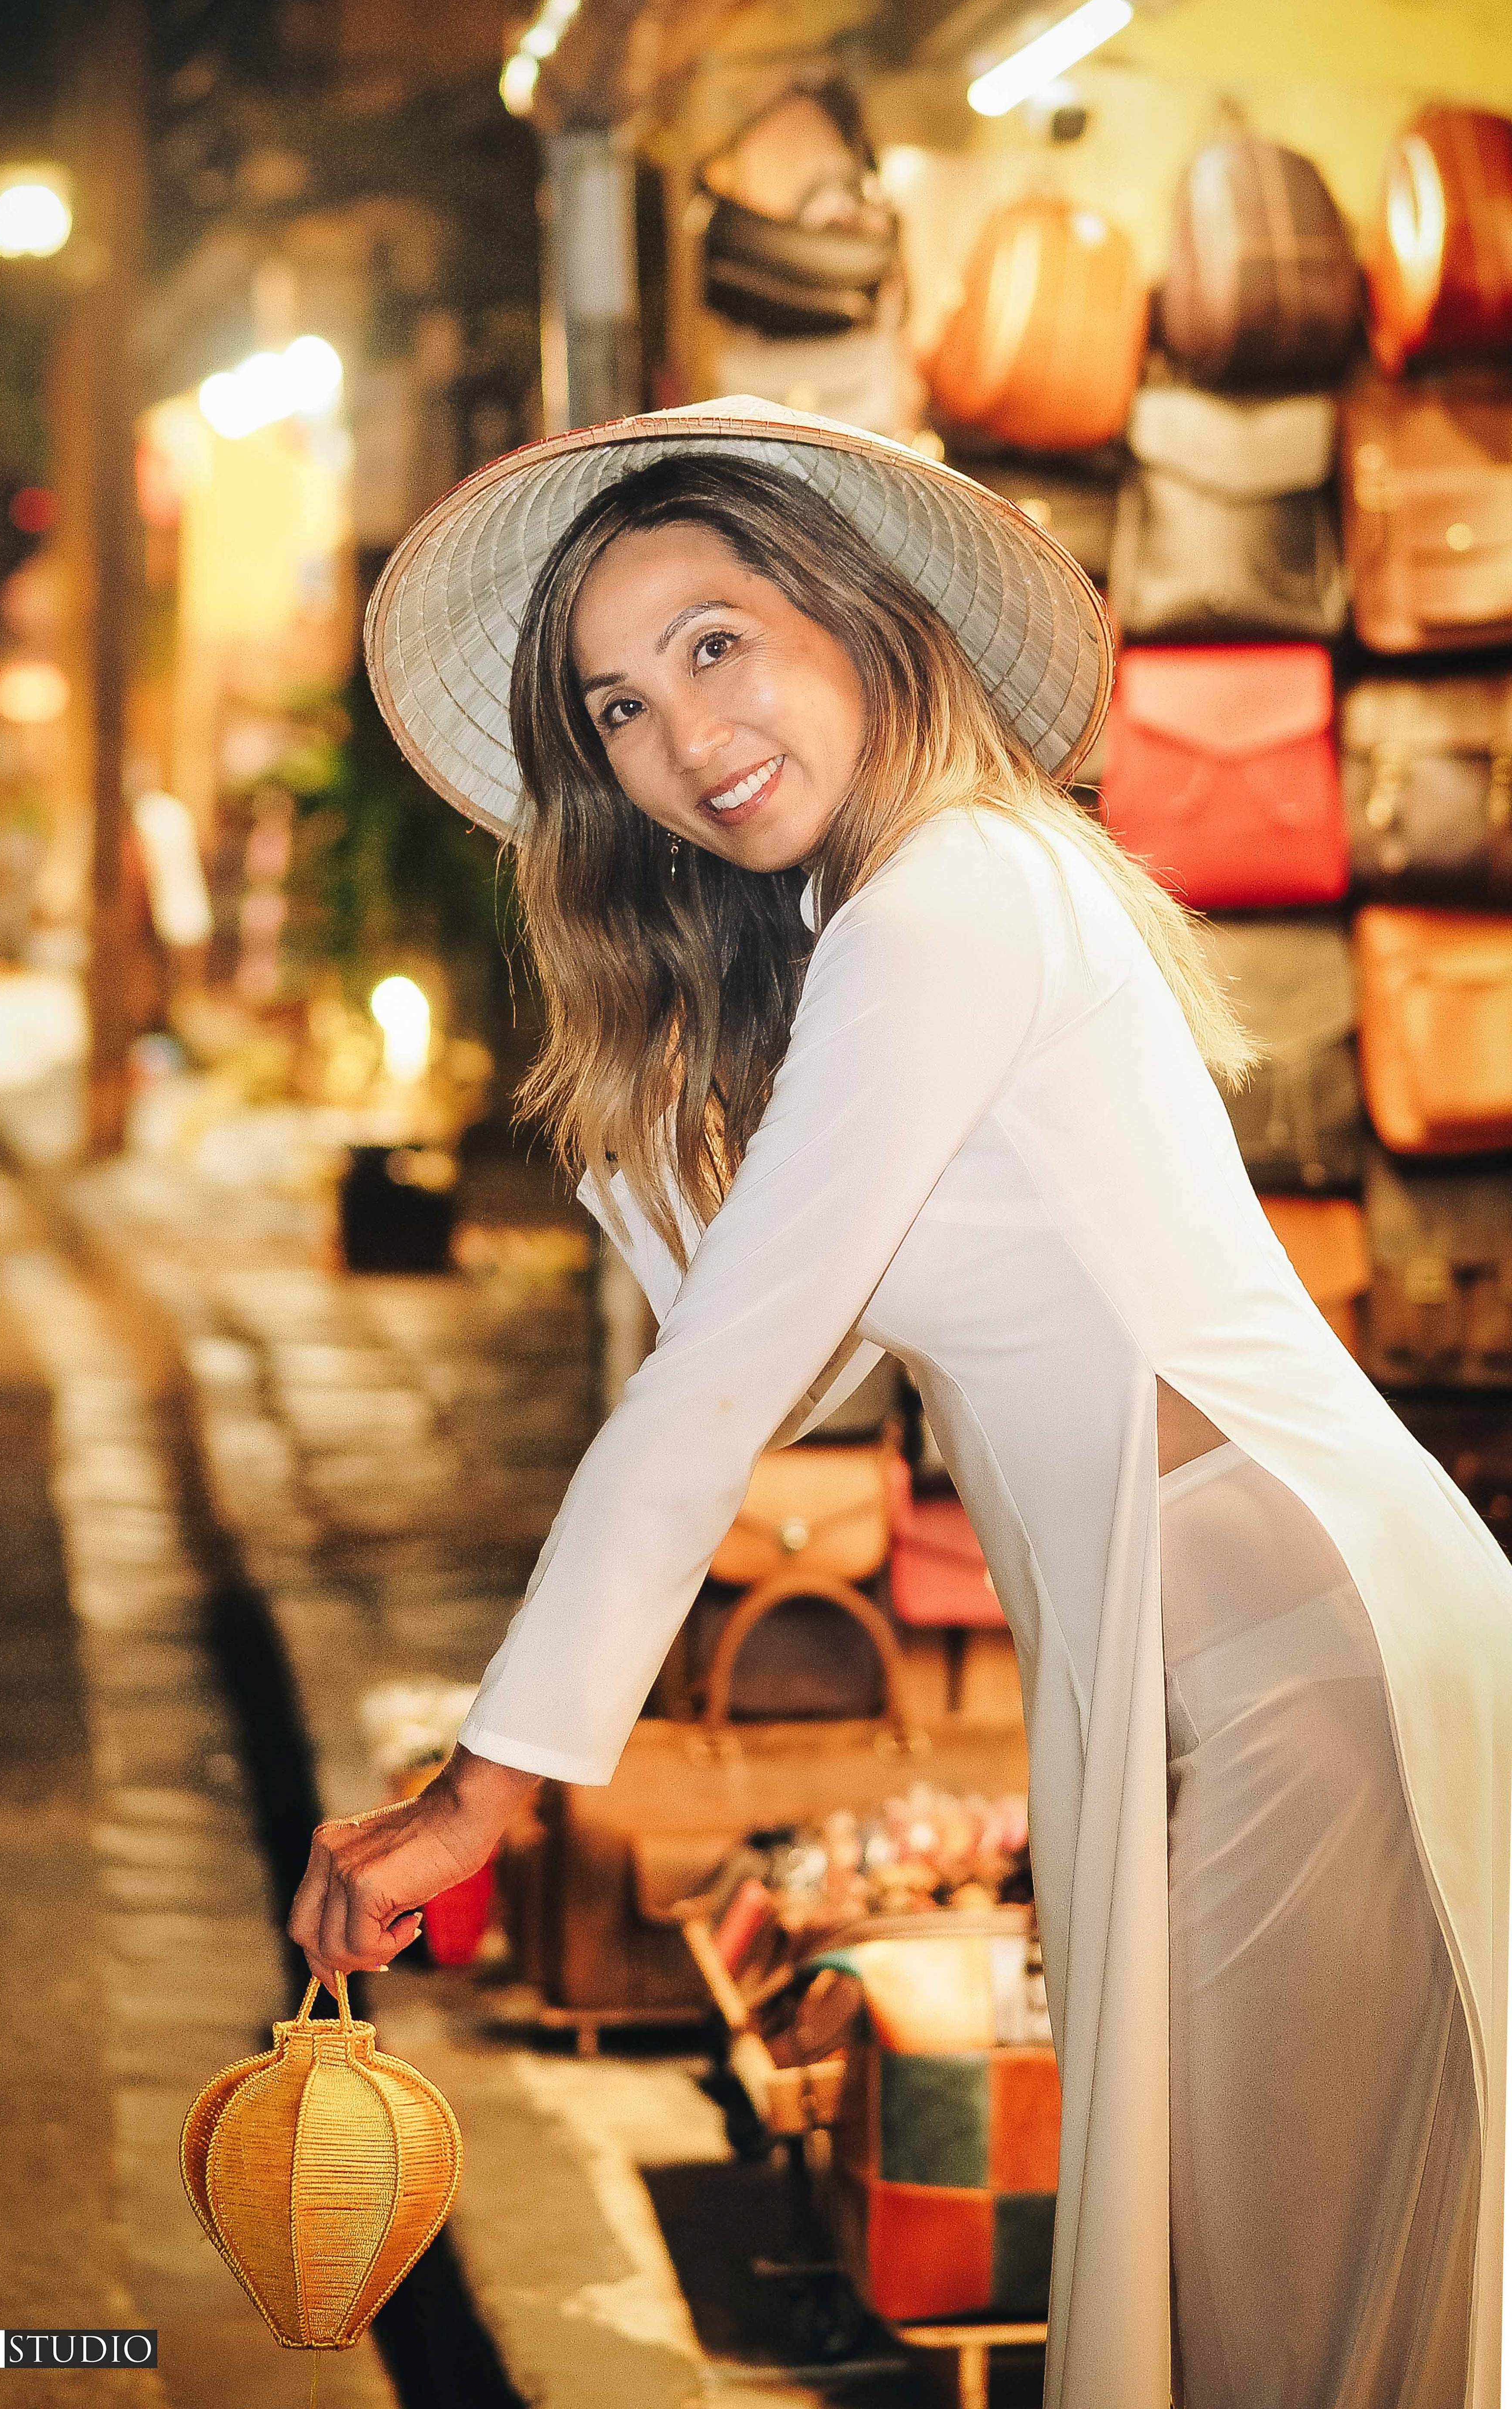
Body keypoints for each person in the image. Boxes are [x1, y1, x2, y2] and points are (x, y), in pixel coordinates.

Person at [290, 400, 1512, 2409]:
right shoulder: (886, 917)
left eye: (716, 638)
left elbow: (710, 1397)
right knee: (1254, 2312)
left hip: (1295, 1658)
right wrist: (651, 1042)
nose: (678, 732)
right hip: (1196, 1656)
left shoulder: (950, 897)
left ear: (850, 616)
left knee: (1299, 2328)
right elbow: (803, 1358)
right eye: (610, 709)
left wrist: (479, 1797)